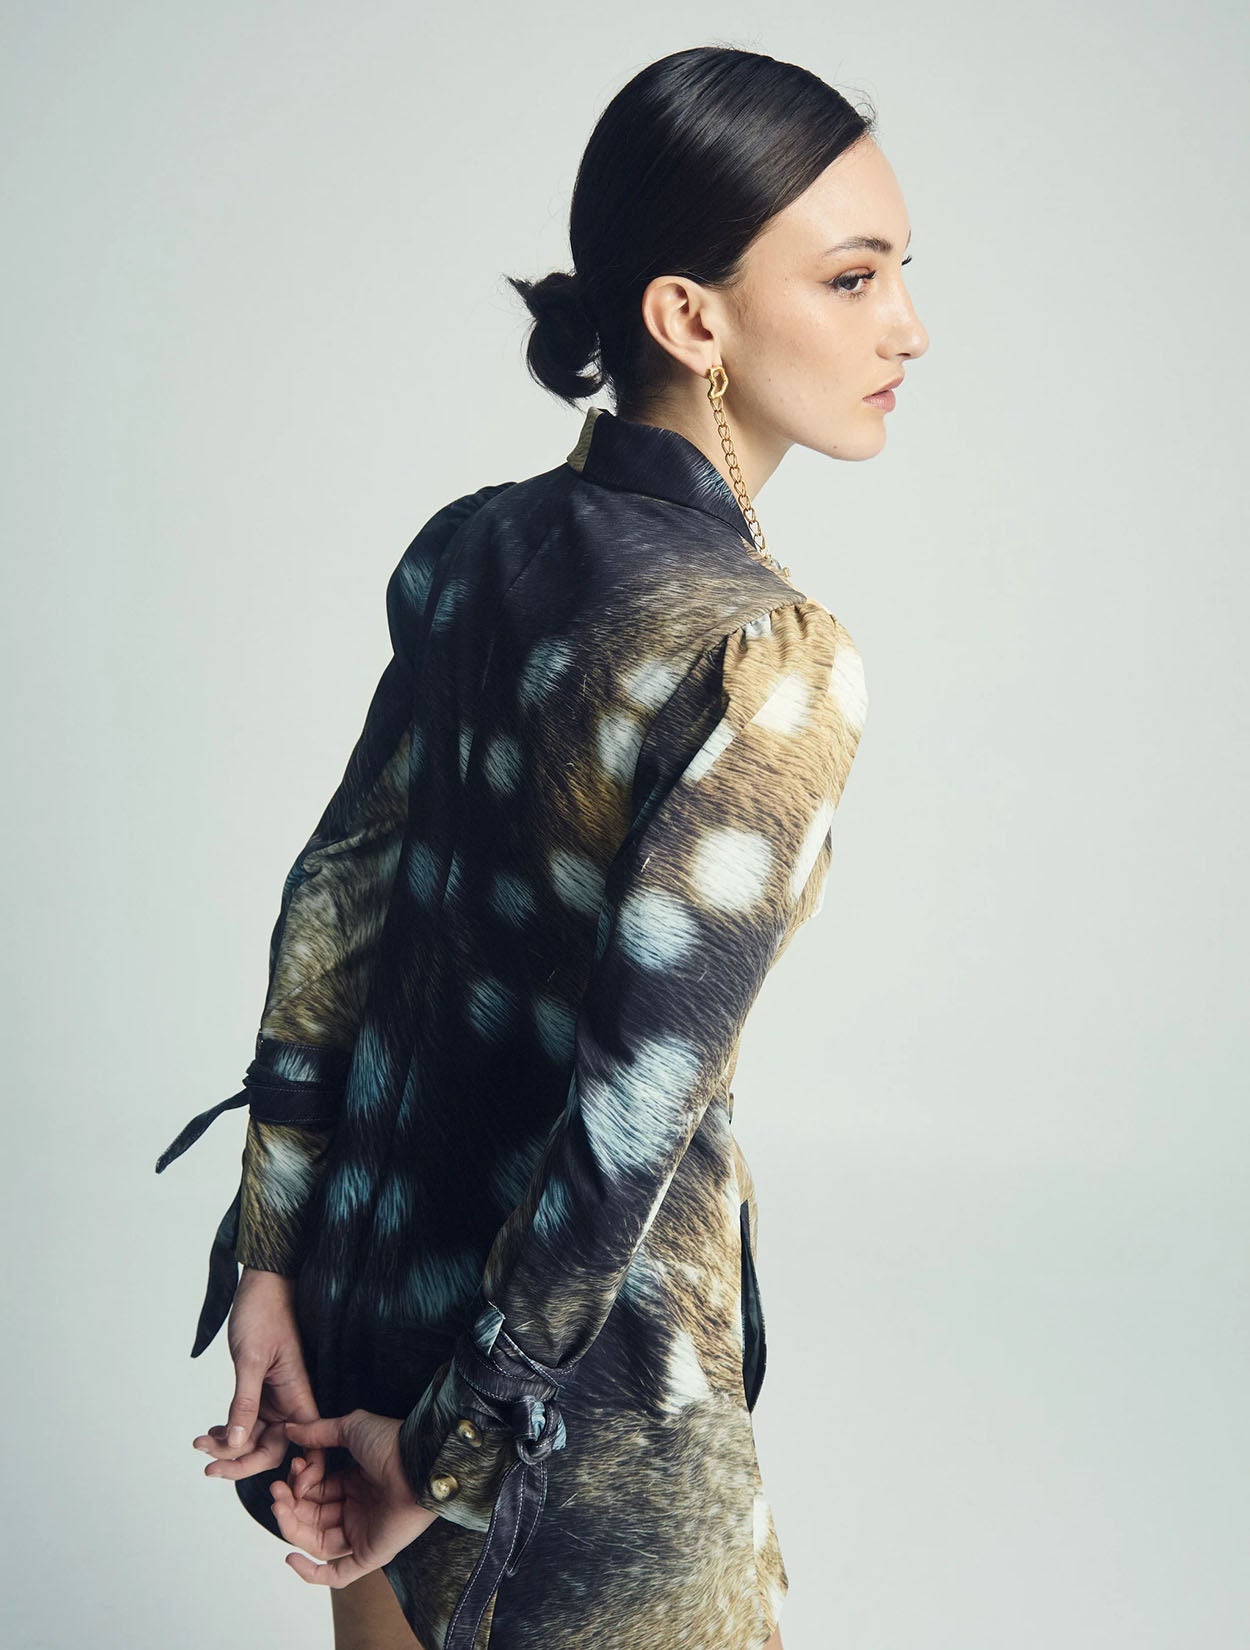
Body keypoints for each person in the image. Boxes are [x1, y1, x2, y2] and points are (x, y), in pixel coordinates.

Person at [155, 41, 927, 1650]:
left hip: (368, 1316)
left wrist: (275, 1267)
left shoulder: (473, 550)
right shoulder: (766, 654)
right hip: (576, 1423)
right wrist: (450, 1449)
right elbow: (629, 1120)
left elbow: (333, 914)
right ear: (689, 317)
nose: (905, 327)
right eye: (853, 278)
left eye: (899, 273)